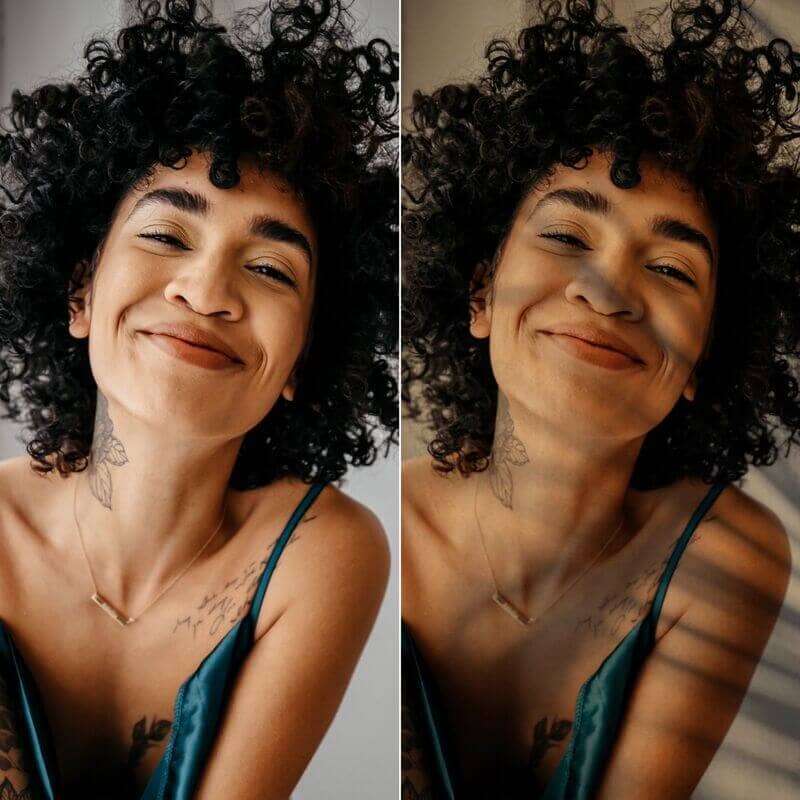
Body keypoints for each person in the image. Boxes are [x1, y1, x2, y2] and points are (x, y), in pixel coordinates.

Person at [0, 0, 398, 797]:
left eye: (271, 269)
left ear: (303, 357)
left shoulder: (324, 553)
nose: (207, 293)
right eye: (166, 236)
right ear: (80, 292)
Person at [402, 0, 796, 798]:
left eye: (672, 269)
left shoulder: (726, 553)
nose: (608, 292)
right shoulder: (372, 531)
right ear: (479, 294)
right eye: (568, 237)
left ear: (703, 360)